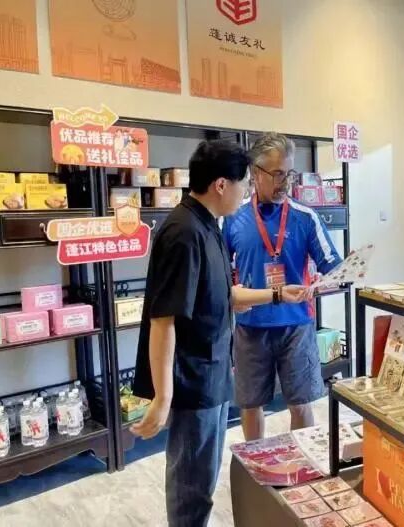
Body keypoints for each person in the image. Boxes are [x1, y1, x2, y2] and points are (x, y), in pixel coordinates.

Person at [131, 139, 309, 527]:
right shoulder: (183, 233)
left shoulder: (208, 224)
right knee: (191, 486)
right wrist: (163, 397)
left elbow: (223, 293)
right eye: (245, 182)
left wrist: (277, 294)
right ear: (221, 184)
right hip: (192, 380)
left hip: (211, 374)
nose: (247, 190)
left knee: (203, 480)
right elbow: (163, 320)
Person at [223, 132, 342, 441]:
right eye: (277, 174)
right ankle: (256, 462)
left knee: (301, 404)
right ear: (255, 172)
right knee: (251, 406)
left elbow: (334, 268)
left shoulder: (306, 217)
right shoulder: (233, 218)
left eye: (289, 174)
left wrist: (327, 280)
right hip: (250, 327)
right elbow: (220, 275)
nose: (285, 182)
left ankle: (303, 461)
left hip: (297, 326)